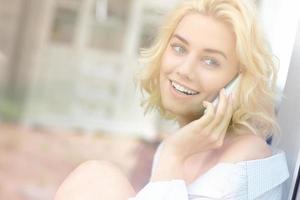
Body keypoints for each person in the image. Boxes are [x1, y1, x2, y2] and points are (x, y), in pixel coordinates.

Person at [54, 0, 289, 199]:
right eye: (179, 48)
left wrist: (173, 156)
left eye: (210, 61)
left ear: (239, 81)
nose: (184, 70)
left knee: (99, 178)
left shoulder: (248, 157)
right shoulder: (179, 145)